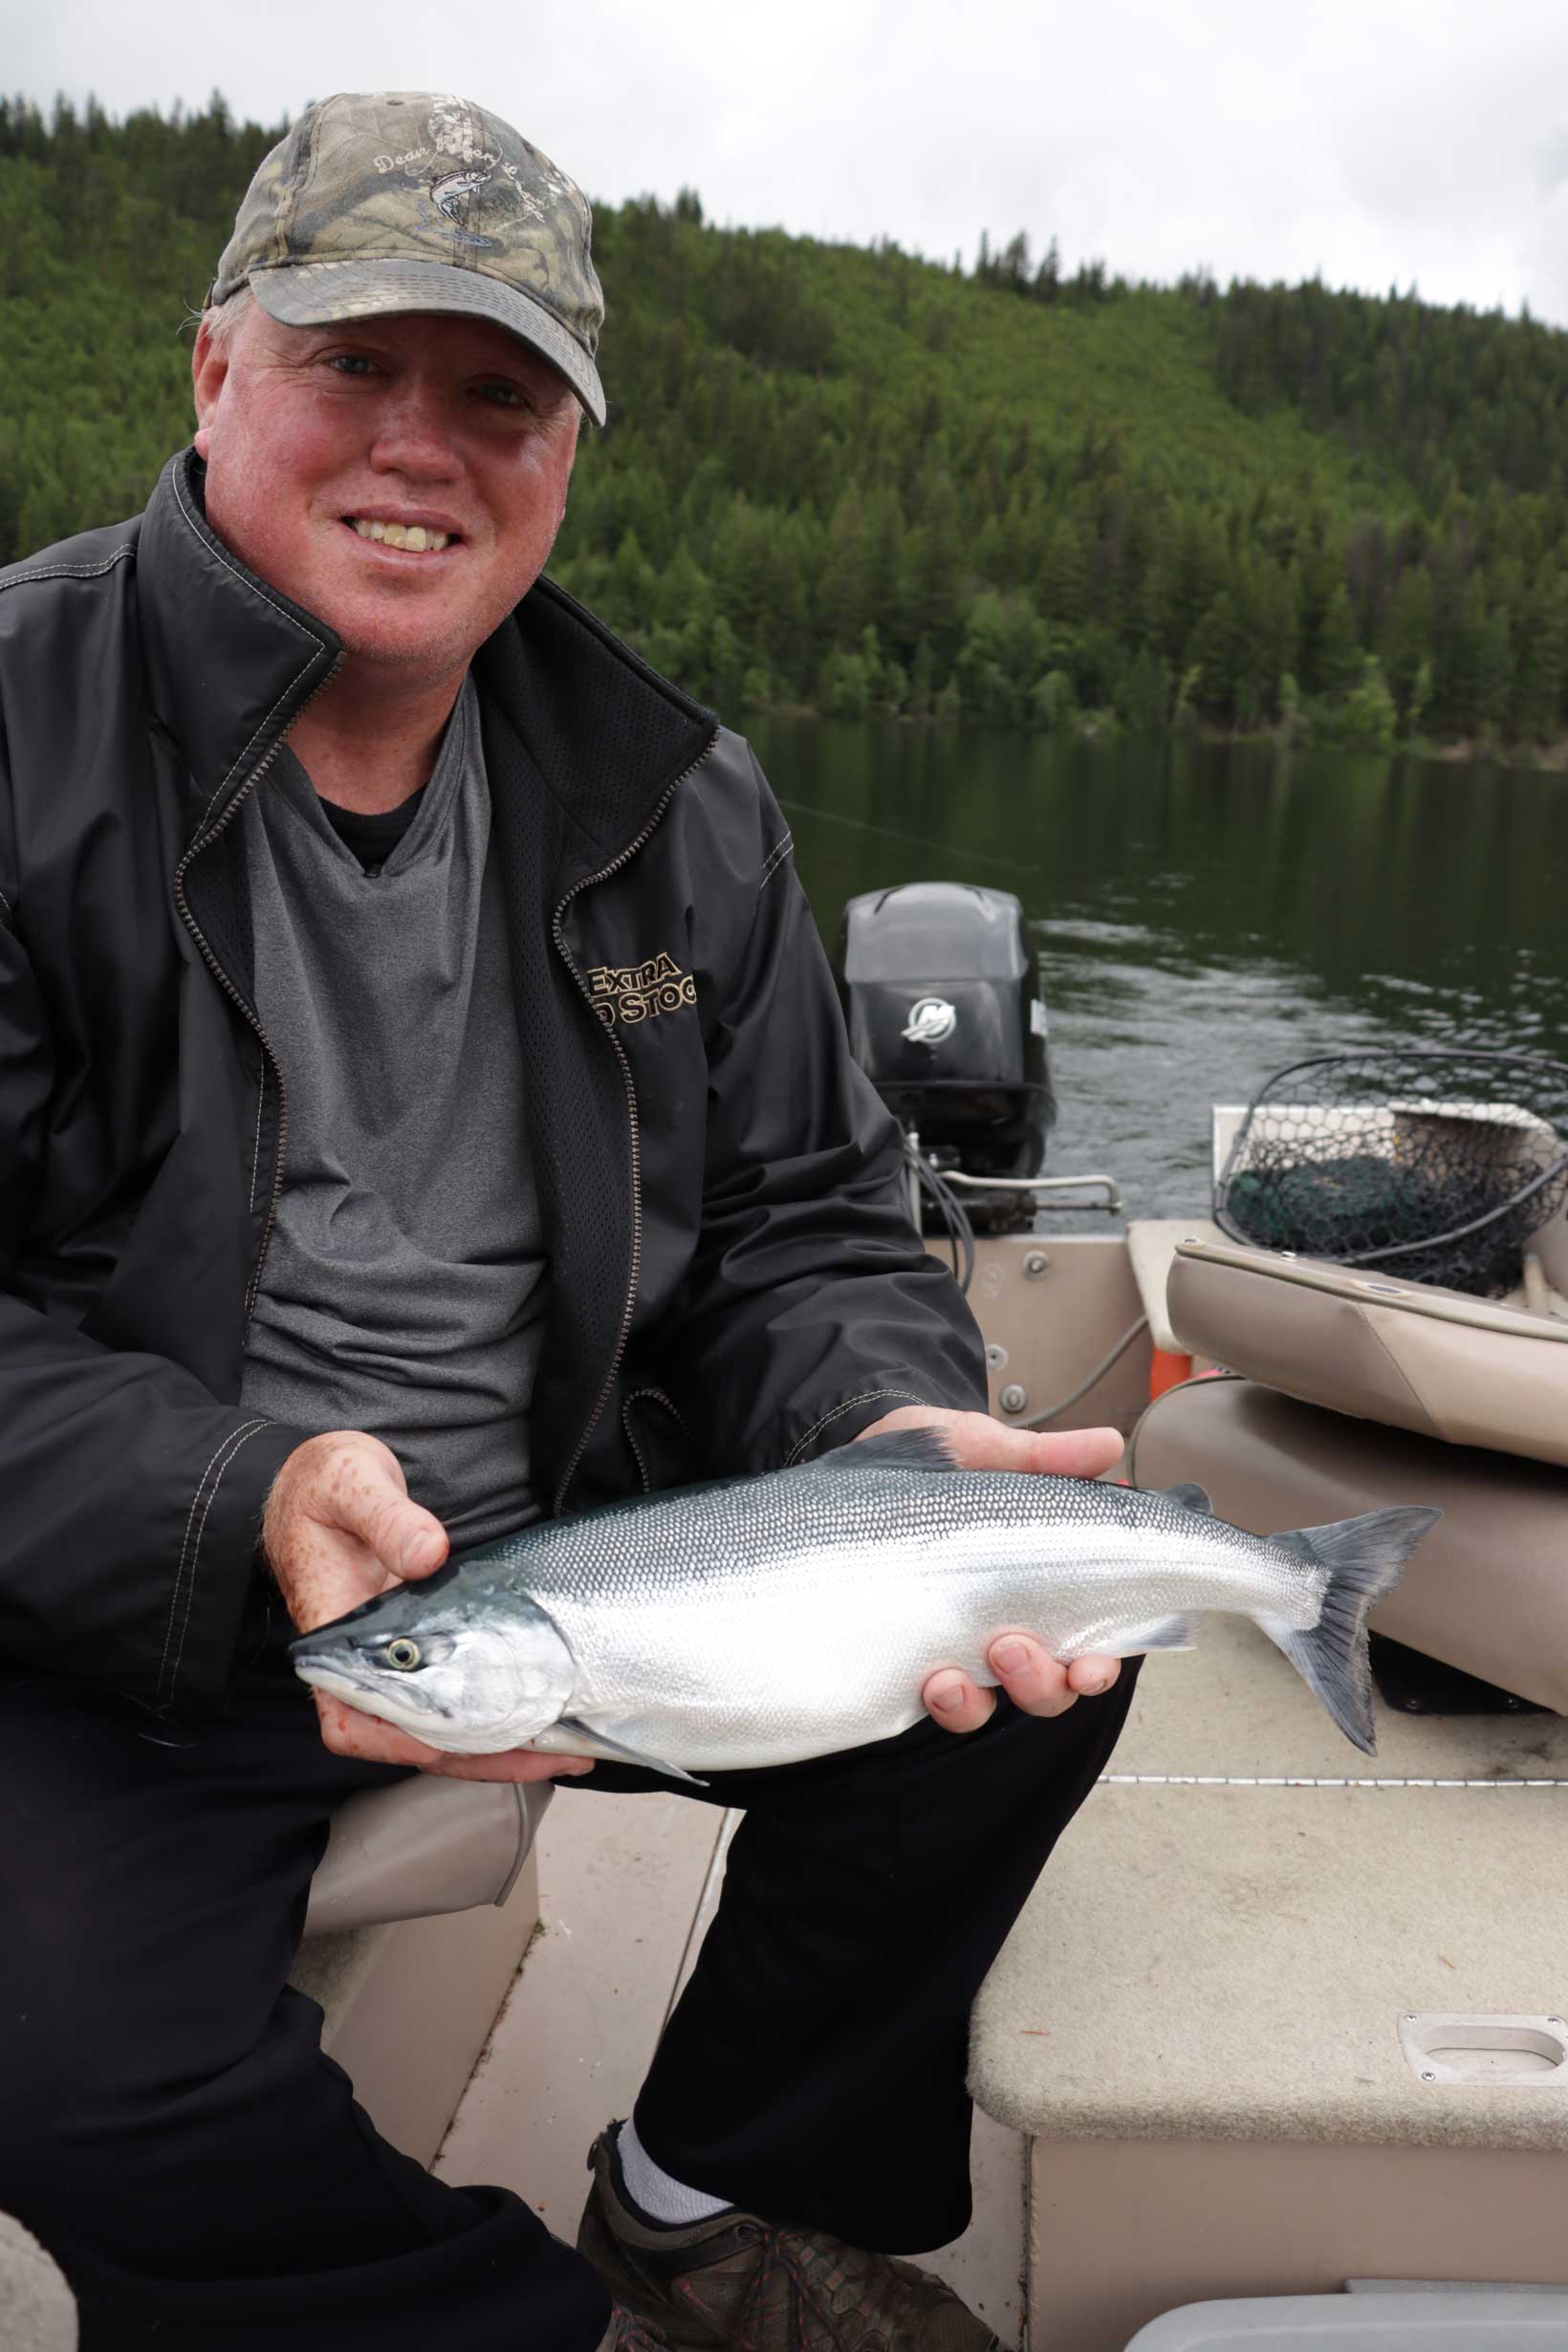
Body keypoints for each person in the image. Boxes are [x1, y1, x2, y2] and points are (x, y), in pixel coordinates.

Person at [0, 91, 1136, 2352]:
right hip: (149, 1579)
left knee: (1027, 1662)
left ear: (571, 453)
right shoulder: (20, 734)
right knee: (68, 2067)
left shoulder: (669, 794)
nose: (424, 447)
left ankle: (701, 2195)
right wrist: (251, 1497)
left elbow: (809, 1211)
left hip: (584, 1532)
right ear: (215, 369)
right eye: (355, 366)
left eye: (499, 396)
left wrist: (886, 1436)